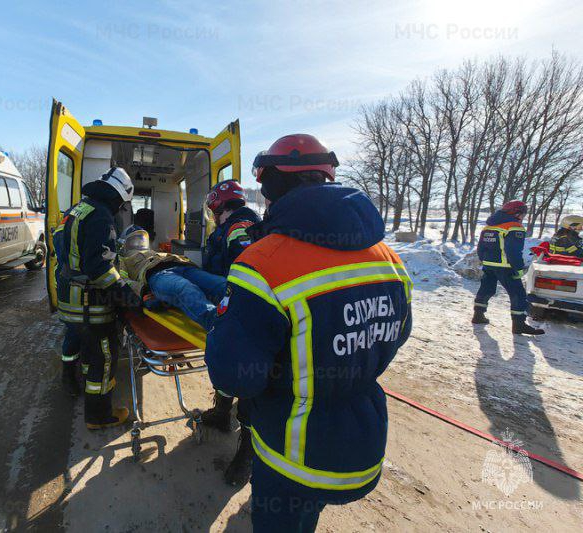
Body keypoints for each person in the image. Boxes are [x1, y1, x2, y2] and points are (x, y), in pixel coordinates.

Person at [205, 134, 412, 532]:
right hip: (360, 440)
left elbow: (234, 377)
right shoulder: (389, 259)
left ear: (273, 187)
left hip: (291, 453)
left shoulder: (264, 264)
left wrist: (219, 328)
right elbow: (394, 336)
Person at [55, 167, 143, 429]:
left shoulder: (77, 210)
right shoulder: (102, 216)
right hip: (89, 304)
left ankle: (75, 379)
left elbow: (63, 247)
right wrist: (127, 296)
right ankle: (99, 415)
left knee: (86, 348)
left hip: (69, 299)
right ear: (118, 197)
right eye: (122, 205)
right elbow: (99, 267)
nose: (120, 210)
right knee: (104, 358)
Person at [200, 179, 262, 486]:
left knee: (249, 382)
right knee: (225, 364)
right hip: (229, 307)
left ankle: (248, 454)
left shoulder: (241, 227)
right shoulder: (230, 227)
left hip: (245, 311)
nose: (212, 214)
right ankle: (222, 413)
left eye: (213, 209)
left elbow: (246, 269)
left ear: (219, 206)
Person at [120, 230, 226, 330]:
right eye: (135, 239)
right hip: (157, 275)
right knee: (184, 288)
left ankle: (240, 312)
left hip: (184, 266)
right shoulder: (123, 260)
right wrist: (142, 291)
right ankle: (219, 326)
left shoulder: (154, 252)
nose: (138, 242)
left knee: (222, 284)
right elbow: (123, 281)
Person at [473, 201, 545, 335]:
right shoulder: (514, 227)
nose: (523, 216)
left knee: (486, 289)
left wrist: (485, 260)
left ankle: (478, 315)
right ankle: (519, 325)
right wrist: (518, 268)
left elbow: (481, 247)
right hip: (506, 267)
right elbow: (513, 250)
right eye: (523, 213)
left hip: (489, 265)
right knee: (518, 294)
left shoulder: (489, 227)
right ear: (517, 213)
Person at [52, 220, 83, 397]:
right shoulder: (81, 219)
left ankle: (86, 373)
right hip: (70, 284)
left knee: (87, 332)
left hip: (76, 282)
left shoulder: (74, 217)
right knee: (74, 331)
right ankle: (68, 374)